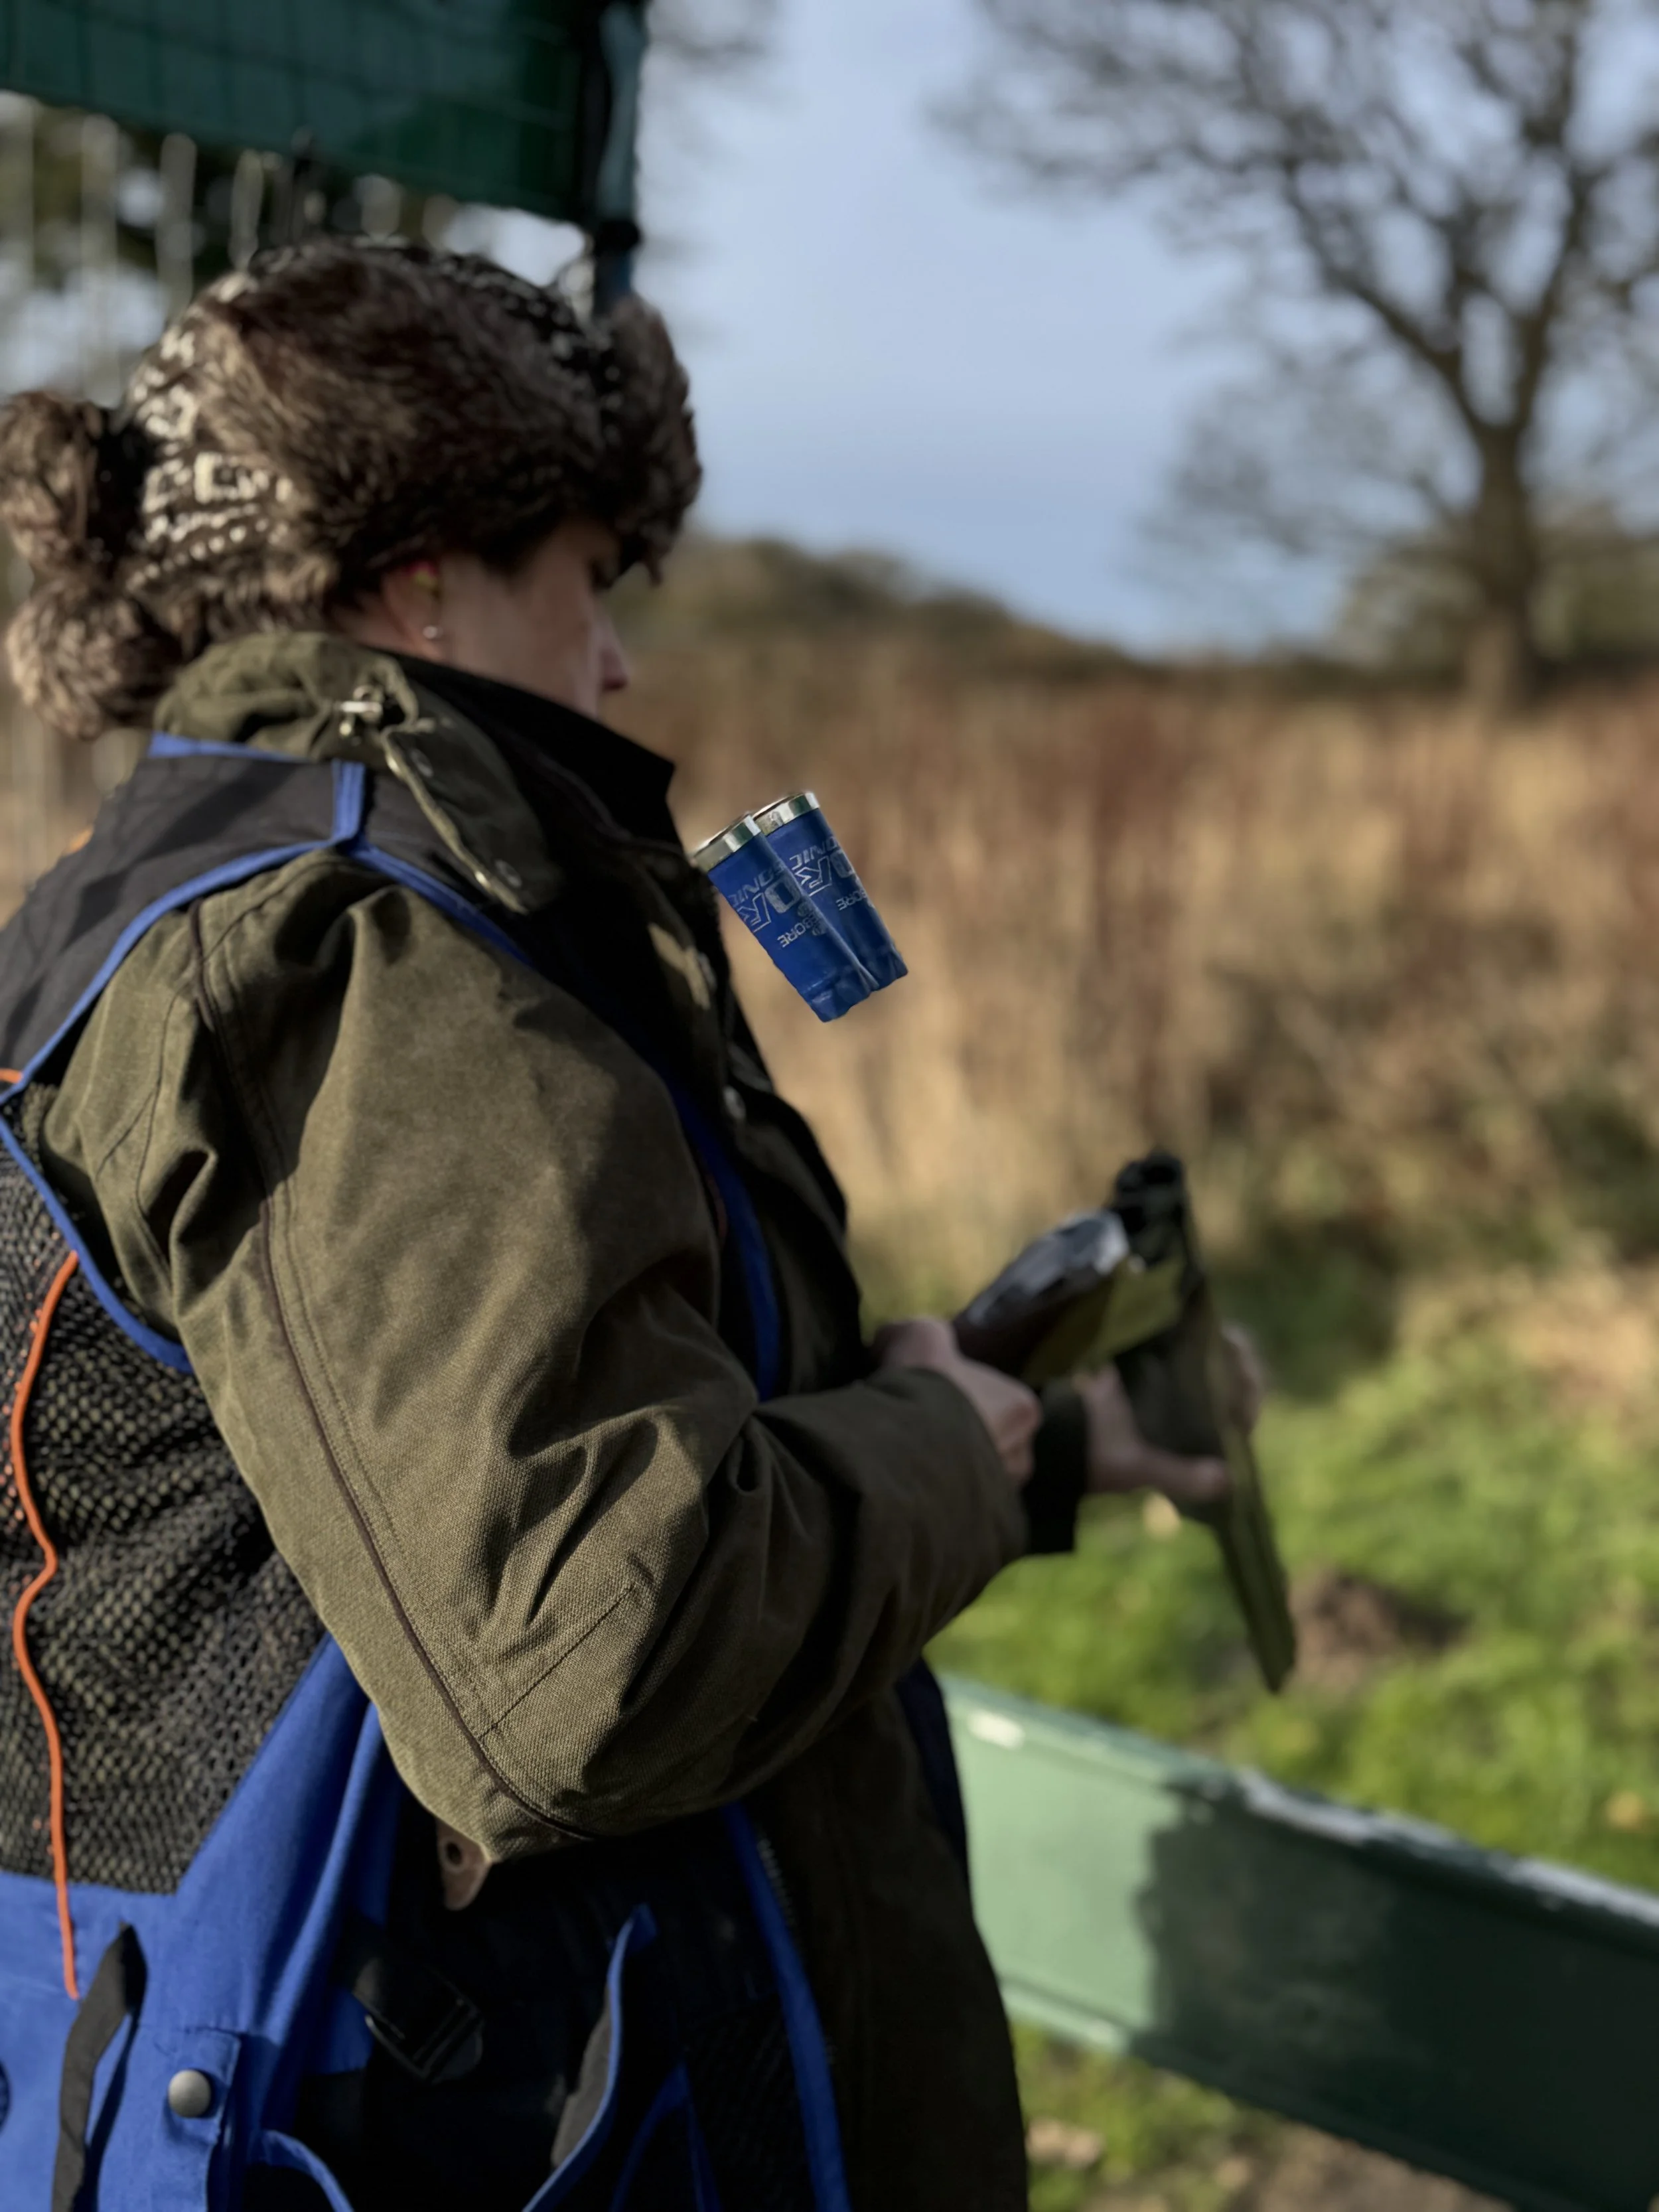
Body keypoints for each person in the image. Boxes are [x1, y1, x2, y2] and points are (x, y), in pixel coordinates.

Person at [0, 240, 1237, 2212]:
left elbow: (512, 1445)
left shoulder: (259, 891)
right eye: (588, 572)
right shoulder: (348, 952)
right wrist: (941, 1457)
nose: (619, 657)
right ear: (417, 571)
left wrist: (1048, 1435)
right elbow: (593, 1657)